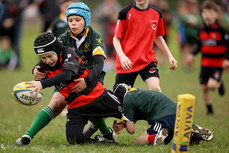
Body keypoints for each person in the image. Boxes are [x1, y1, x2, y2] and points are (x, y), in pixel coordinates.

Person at [15, 2, 115, 146]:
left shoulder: (95, 37)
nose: (73, 24)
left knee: (89, 105)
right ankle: (27, 136)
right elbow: (50, 52)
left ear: (86, 20)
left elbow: (99, 65)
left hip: (91, 79)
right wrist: (36, 68)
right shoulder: (63, 38)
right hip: (66, 79)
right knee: (56, 103)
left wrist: (86, 81)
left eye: (77, 20)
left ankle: (107, 133)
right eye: (70, 20)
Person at [112, 84, 214, 145]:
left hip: (165, 118)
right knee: (175, 133)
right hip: (178, 113)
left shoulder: (127, 100)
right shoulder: (137, 93)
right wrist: (123, 124)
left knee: (138, 141)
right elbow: (135, 117)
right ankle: (190, 134)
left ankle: (157, 137)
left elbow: (131, 130)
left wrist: (125, 119)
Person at [113, 0, 177, 92]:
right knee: (120, 98)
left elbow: (158, 37)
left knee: (156, 89)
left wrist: (170, 56)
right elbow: (116, 39)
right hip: (127, 63)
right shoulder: (124, 12)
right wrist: (122, 57)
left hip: (147, 61)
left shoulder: (157, 14)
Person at [187, 0, 229, 115]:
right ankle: (209, 109)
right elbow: (199, 46)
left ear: (216, 14)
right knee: (204, 87)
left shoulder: (221, 30)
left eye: (210, 13)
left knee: (211, 86)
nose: (207, 16)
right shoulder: (201, 30)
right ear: (202, 14)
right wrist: (191, 54)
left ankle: (219, 82)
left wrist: (227, 59)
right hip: (205, 64)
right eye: (205, 13)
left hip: (217, 64)